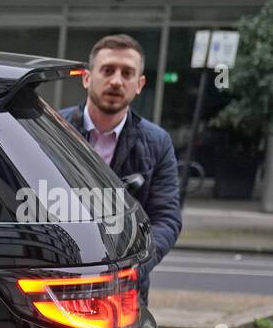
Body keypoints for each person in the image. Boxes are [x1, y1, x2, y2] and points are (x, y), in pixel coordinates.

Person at [59, 33, 181, 302]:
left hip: (126, 291)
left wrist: (134, 269)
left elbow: (166, 218)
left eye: (127, 73)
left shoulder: (157, 142)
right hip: (60, 284)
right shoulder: (54, 130)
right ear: (87, 77)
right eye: (107, 70)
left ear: (139, 84)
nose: (116, 80)